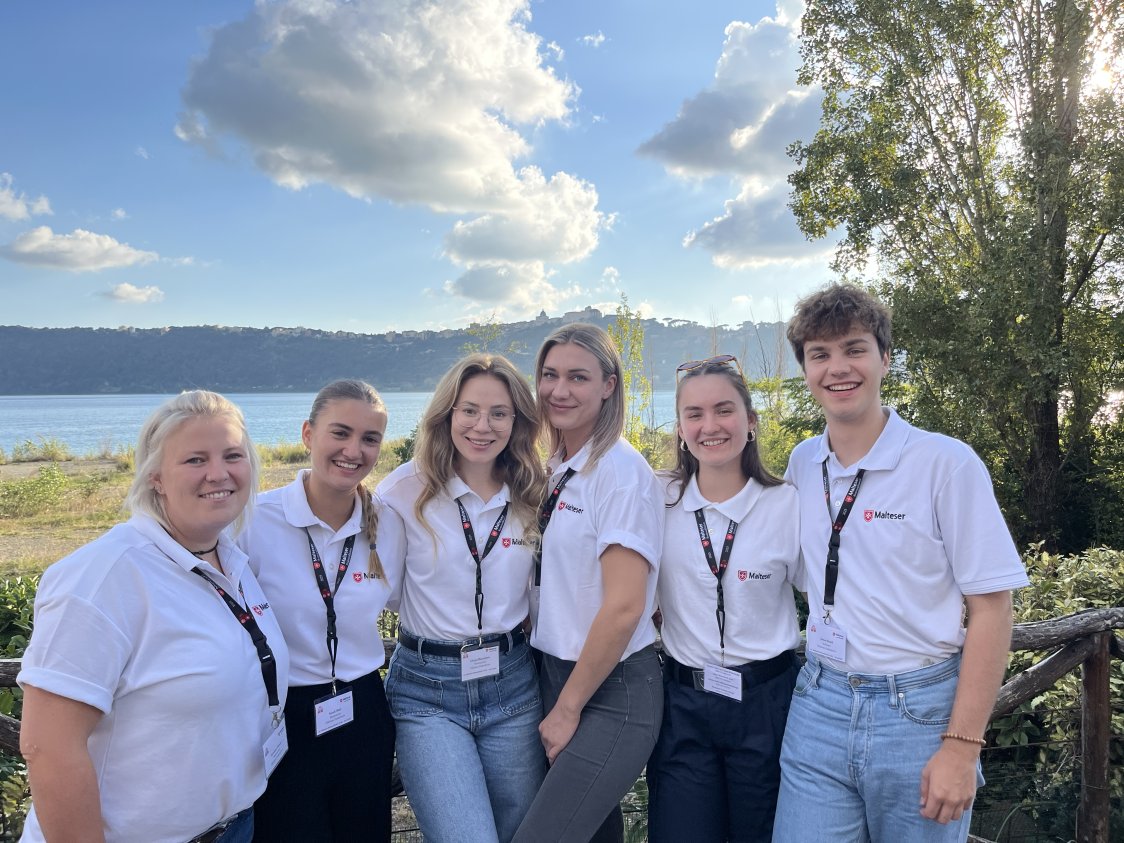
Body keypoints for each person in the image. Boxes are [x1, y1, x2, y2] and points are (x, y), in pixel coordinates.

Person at [772, 284, 1030, 842]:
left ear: (885, 358)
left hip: (919, 712)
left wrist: (962, 747)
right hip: (819, 701)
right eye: (820, 354)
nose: (838, 368)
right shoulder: (803, 462)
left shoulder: (946, 463)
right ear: (806, 370)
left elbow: (993, 608)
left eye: (854, 349)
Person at [17, 390, 289, 843]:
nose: (218, 473)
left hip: (233, 827)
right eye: (195, 459)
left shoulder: (230, 559)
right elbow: (48, 747)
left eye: (232, 455)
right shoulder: (102, 578)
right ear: (156, 477)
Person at [377, 354, 546, 843]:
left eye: (499, 413)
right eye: (469, 410)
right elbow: (385, 591)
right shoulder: (404, 491)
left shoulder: (532, 490)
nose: (482, 426)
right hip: (427, 692)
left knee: (522, 834)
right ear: (447, 414)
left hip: (513, 685)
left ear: (517, 421)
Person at [512, 323, 665, 843]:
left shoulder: (619, 473)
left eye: (578, 377)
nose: (559, 390)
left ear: (608, 385)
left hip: (612, 689)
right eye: (550, 375)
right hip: (553, 673)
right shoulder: (555, 466)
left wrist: (568, 707)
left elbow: (625, 606)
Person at [237, 379, 402, 841]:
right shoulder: (253, 521)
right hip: (283, 713)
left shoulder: (389, 524)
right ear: (308, 434)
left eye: (370, 438)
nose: (354, 450)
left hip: (364, 708)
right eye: (340, 433)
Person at [646, 355, 801, 843]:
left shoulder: (788, 503)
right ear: (680, 428)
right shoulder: (655, 498)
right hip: (683, 704)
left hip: (768, 704)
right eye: (694, 414)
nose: (709, 426)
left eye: (724, 410)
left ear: (750, 421)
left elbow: (831, 598)